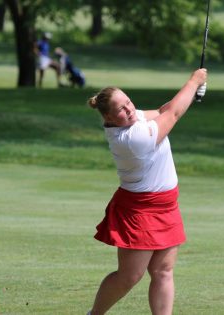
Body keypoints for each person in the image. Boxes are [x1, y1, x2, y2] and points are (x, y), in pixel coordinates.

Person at [86, 68, 207, 315]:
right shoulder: (132, 137)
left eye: (128, 102)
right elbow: (172, 114)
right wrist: (194, 81)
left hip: (167, 204)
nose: (129, 109)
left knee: (164, 271)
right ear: (109, 117)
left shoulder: (135, 119)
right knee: (129, 277)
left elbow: (164, 111)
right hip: (140, 209)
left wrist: (192, 93)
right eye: (121, 109)